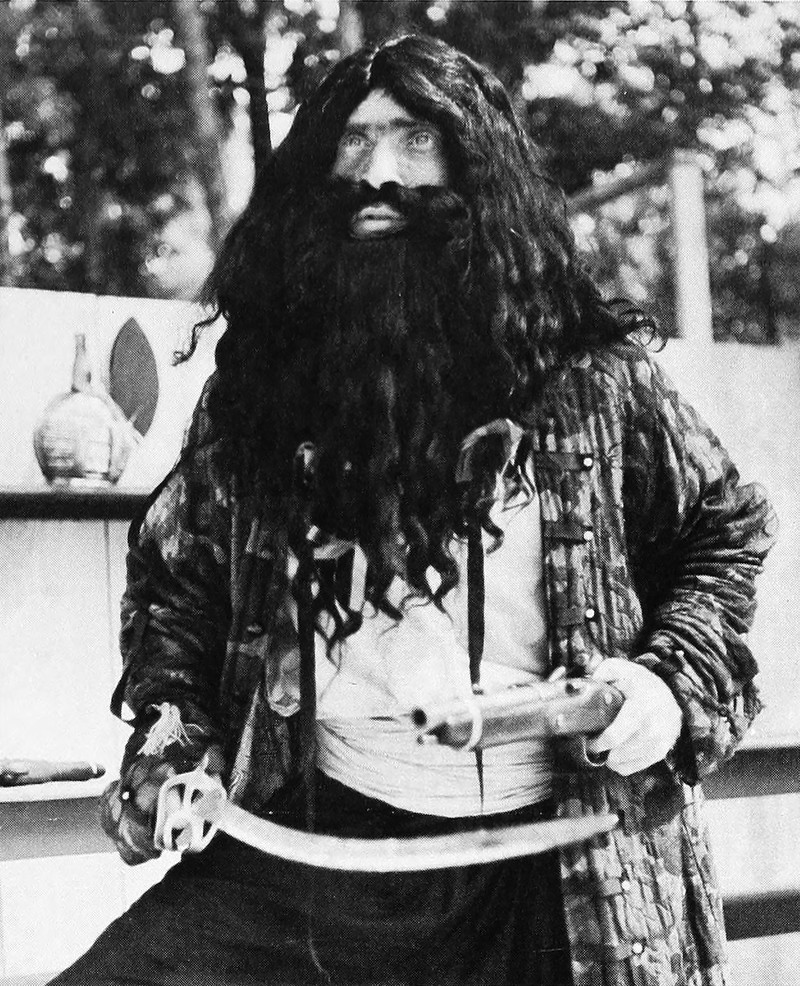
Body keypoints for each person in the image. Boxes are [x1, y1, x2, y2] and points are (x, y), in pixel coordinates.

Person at [51, 34, 773, 986]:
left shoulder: (594, 381)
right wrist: (177, 739)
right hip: (323, 848)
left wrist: (668, 685)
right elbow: (178, 587)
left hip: (565, 870)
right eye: (352, 143)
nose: (378, 174)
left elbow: (724, 531)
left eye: (417, 139)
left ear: (480, 171)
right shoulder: (261, 393)